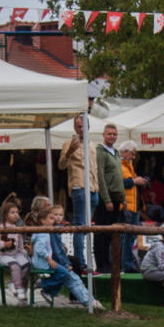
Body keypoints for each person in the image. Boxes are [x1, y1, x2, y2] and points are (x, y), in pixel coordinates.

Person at [31, 206, 98, 308]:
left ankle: (90, 301)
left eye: (60, 215)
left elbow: (56, 249)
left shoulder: (54, 229)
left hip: (53, 261)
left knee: (74, 266)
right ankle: (46, 286)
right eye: (53, 216)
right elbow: (55, 252)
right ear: (44, 220)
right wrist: (65, 264)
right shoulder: (49, 231)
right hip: (50, 262)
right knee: (71, 277)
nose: (56, 218)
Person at [57, 114, 98, 268]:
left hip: (94, 188)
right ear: (74, 128)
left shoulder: (92, 144)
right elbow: (61, 165)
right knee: (80, 225)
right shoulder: (69, 143)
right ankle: (81, 262)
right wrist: (69, 152)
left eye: (83, 126)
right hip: (79, 187)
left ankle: (84, 261)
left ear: (88, 127)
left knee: (87, 226)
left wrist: (98, 188)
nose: (80, 129)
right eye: (78, 126)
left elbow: (95, 168)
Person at [94, 124, 125, 273]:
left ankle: (110, 263)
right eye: (109, 134)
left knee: (112, 233)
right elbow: (99, 176)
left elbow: (119, 176)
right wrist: (106, 199)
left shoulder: (116, 153)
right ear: (103, 135)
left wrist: (123, 198)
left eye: (114, 134)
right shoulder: (101, 152)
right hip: (106, 196)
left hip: (116, 197)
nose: (112, 136)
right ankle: (102, 264)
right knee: (102, 232)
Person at [118, 139, 148, 273]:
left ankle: (127, 265)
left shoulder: (128, 165)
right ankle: (124, 265)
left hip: (133, 206)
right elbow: (117, 183)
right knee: (125, 238)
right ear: (125, 152)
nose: (134, 157)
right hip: (125, 206)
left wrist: (139, 181)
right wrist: (135, 181)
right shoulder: (119, 164)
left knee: (130, 238)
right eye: (133, 154)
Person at [0, 202, 30, 301]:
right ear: (5, 215)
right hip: (3, 255)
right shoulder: (1, 227)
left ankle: (13, 283)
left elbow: (20, 243)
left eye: (17, 212)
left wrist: (22, 254)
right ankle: (19, 287)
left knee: (26, 264)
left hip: (16, 254)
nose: (16, 215)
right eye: (12, 212)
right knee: (15, 265)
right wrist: (4, 244)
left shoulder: (17, 228)